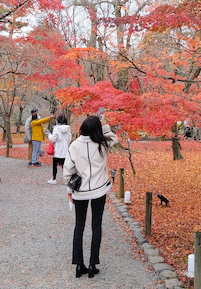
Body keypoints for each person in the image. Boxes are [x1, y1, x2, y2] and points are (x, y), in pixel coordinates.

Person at [63, 115, 118, 278]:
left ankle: (79, 265)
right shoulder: (103, 143)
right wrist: (105, 125)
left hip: (80, 192)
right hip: (99, 190)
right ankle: (93, 263)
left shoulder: (74, 145)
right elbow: (114, 138)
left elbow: (67, 171)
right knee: (96, 226)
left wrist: (70, 188)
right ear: (97, 129)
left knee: (79, 226)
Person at [47, 114, 72, 184]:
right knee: (64, 165)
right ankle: (66, 180)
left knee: (55, 165)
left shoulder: (56, 128)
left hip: (57, 150)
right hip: (65, 150)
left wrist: (49, 135)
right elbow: (69, 139)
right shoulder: (68, 129)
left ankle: (54, 179)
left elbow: (53, 139)